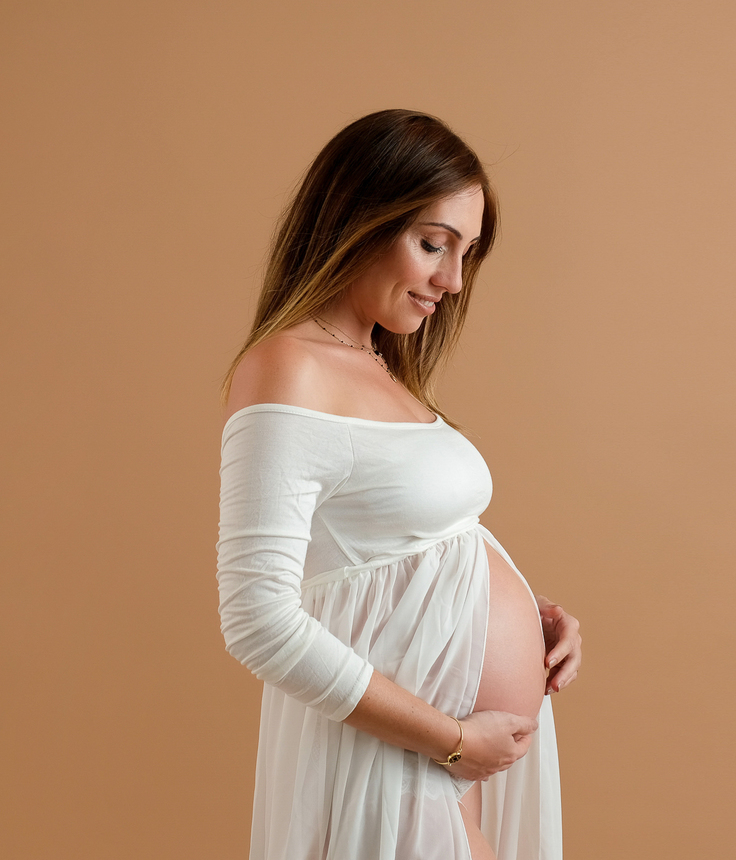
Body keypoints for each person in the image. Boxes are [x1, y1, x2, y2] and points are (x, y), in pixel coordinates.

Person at [216, 110, 581, 860]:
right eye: (432, 245)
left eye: (465, 253)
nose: (453, 281)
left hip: (436, 767)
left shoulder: (379, 365)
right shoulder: (290, 368)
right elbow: (257, 618)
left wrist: (521, 614)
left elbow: (392, 556)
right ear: (357, 219)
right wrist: (453, 739)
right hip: (398, 762)